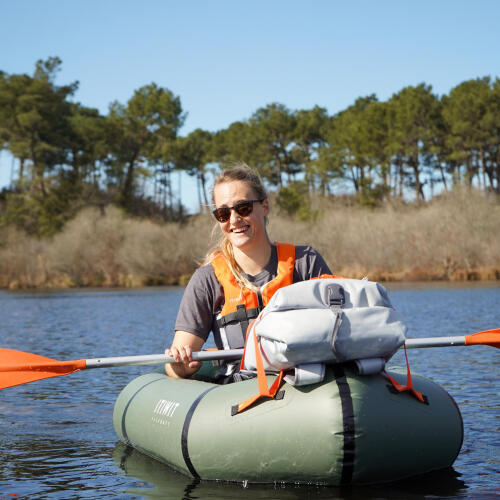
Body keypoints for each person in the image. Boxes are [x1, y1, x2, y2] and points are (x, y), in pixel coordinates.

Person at [165, 163, 331, 380]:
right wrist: (182, 364)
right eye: (223, 213)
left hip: (306, 382)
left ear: (264, 207)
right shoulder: (206, 280)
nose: (234, 220)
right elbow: (174, 367)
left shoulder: (306, 262)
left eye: (243, 208)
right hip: (241, 391)